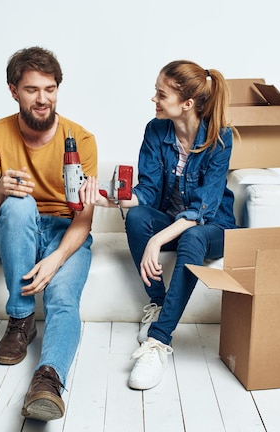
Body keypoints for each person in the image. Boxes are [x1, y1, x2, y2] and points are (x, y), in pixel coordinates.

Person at [81, 60, 238, 390]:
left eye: (160, 93)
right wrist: (113, 200)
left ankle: (158, 340)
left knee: (193, 236)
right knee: (137, 216)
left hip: (215, 228)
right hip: (172, 222)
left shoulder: (220, 138)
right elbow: (148, 190)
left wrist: (156, 241)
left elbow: (201, 211)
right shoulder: (156, 130)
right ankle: (159, 304)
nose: (154, 99)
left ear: (187, 103)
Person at [0, 46, 97, 421]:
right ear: (14, 90)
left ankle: (48, 381)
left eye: (50, 88)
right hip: (17, 226)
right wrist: (0, 189)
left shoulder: (82, 139)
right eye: (32, 90)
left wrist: (56, 259)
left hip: (66, 232)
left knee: (62, 302)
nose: (43, 99)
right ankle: (20, 318)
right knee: (17, 202)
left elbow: (84, 220)